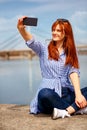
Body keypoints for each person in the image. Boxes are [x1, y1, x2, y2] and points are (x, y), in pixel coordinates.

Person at [17, 16, 87, 119]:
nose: (54, 32)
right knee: (44, 93)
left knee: (81, 93)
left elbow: (73, 72)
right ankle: (77, 109)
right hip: (49, 97)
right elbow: (31, 41)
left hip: (66, 94)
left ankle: (66, 111)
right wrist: (21, 28)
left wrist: (78, 95)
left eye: (58, 30)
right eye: (53, 30)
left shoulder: (71, 51)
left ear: (66, 33)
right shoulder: (44, 49)